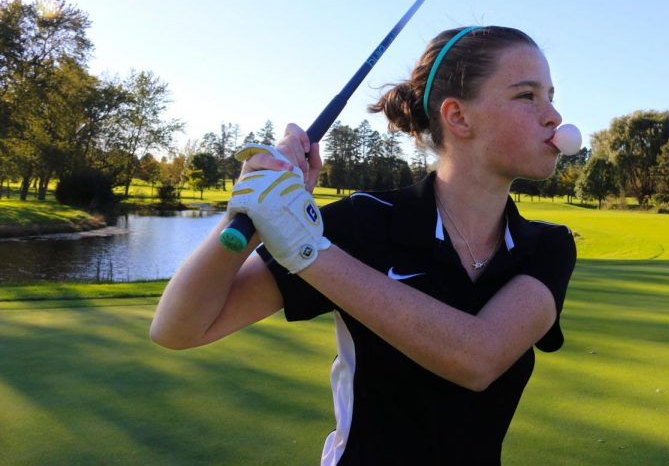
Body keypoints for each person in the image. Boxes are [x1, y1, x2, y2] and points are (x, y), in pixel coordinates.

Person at [150, 25, 577, 465]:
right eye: (528, 96)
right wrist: (250, 216)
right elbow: (178, 329)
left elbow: (478, 358)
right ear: (458, 116)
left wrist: (307, 250)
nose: (554, 116)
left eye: (550, 94)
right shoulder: (362, 223)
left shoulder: (546, 246)